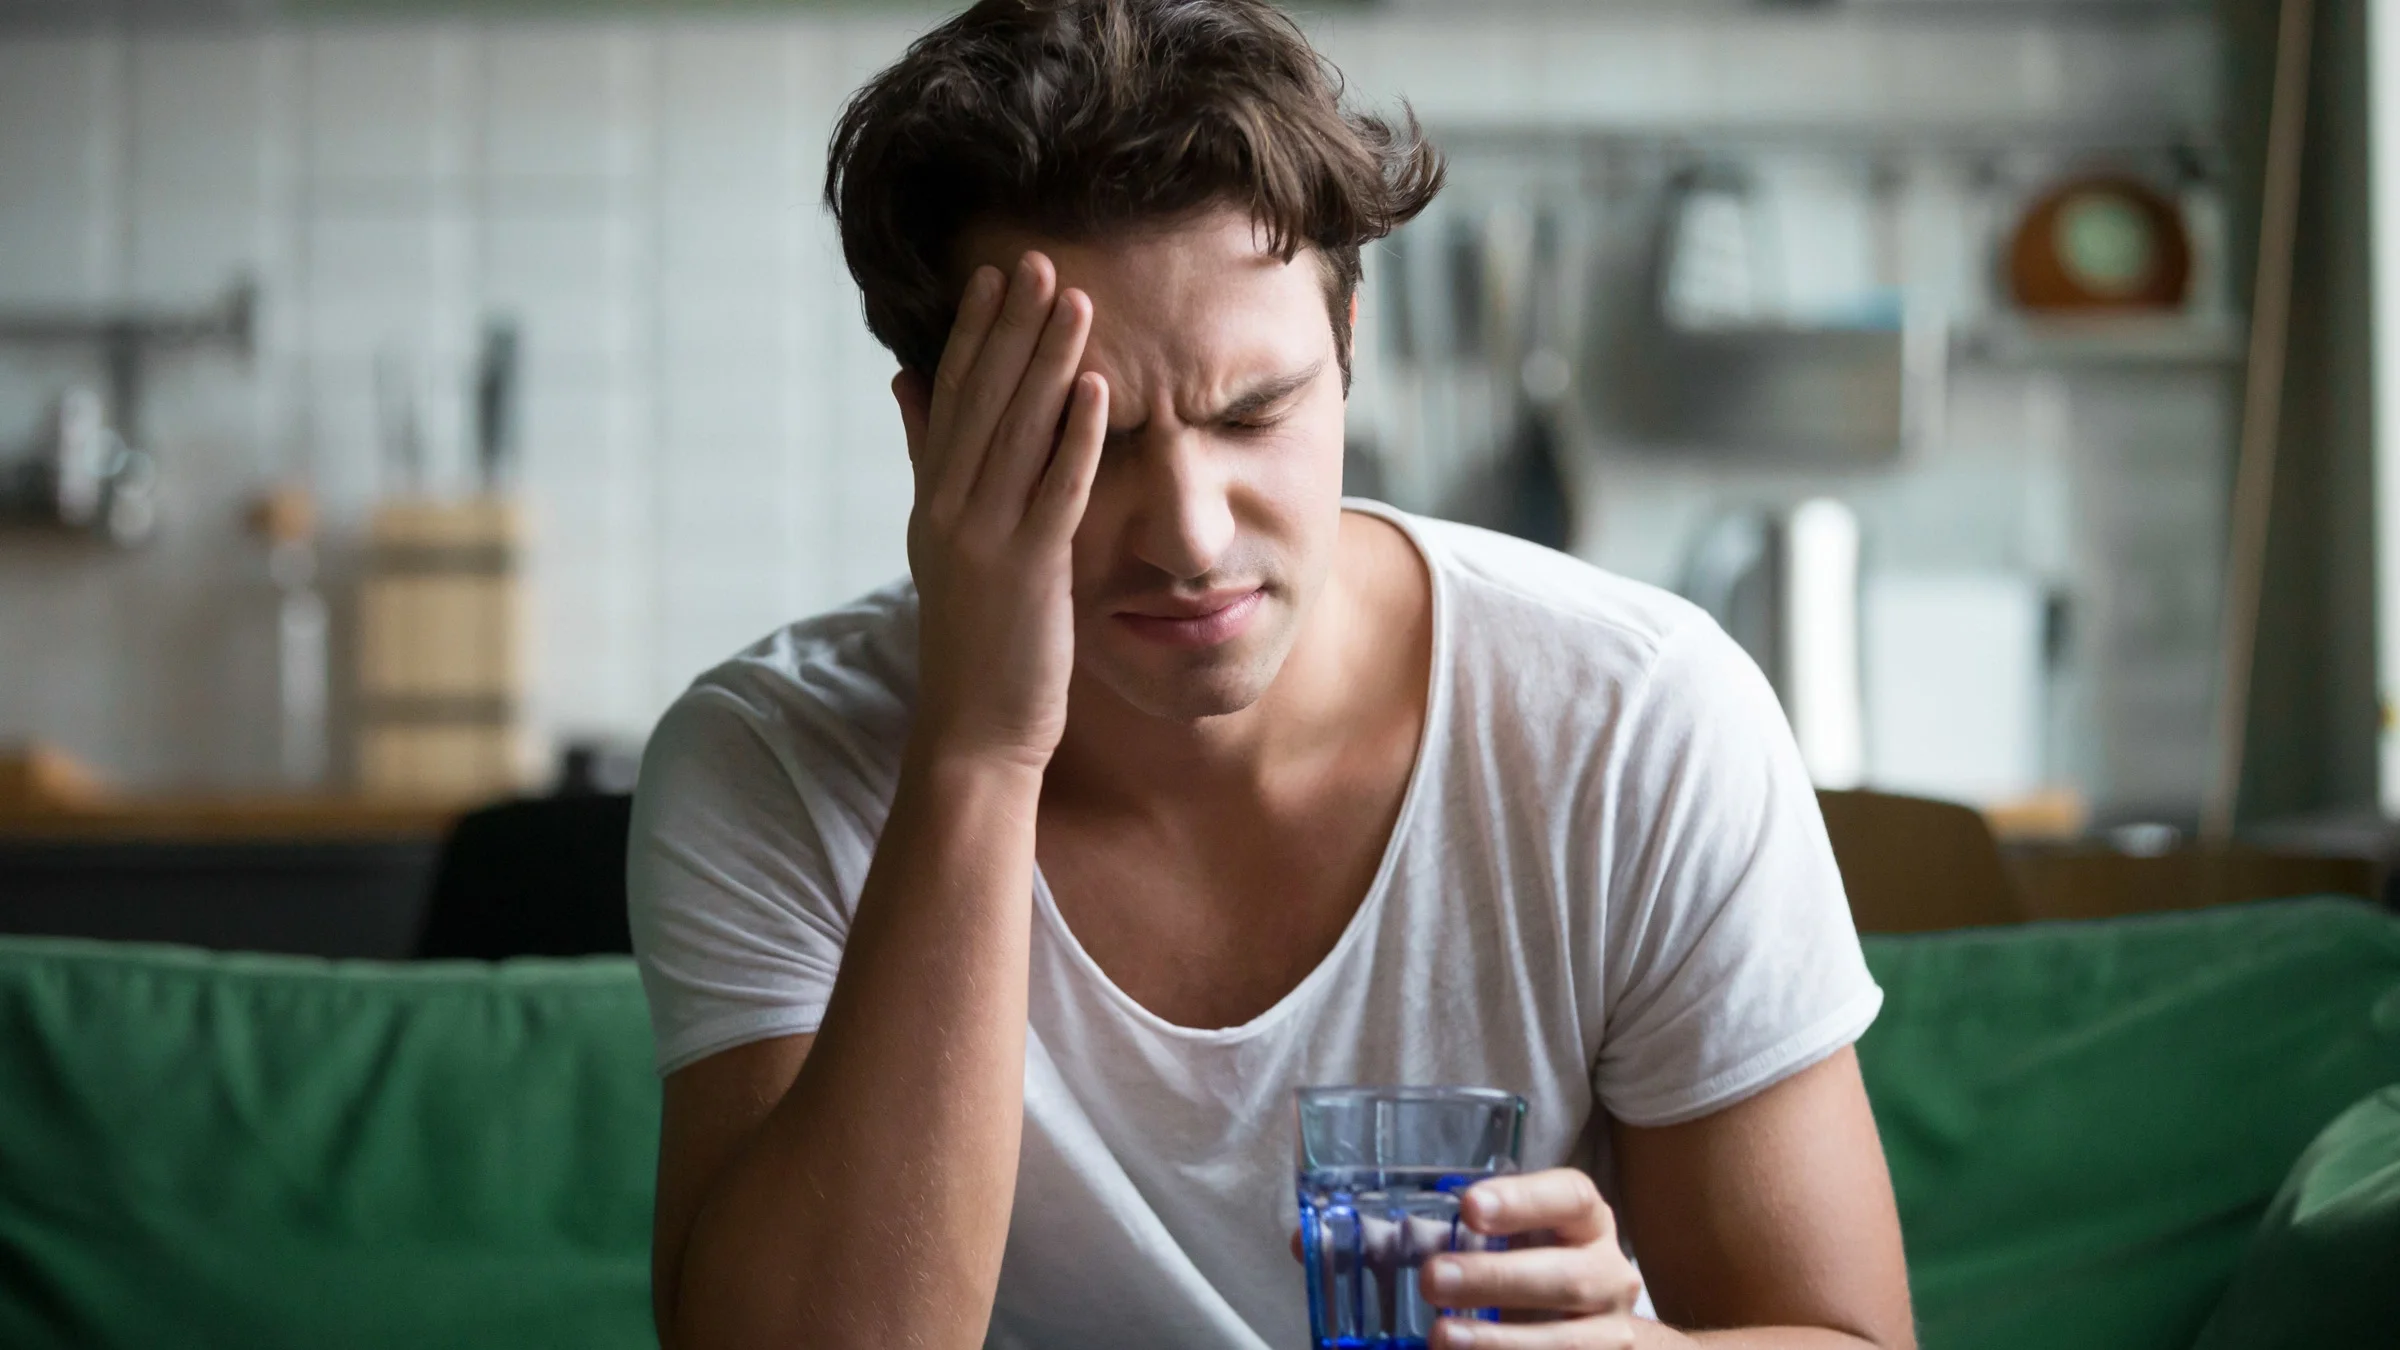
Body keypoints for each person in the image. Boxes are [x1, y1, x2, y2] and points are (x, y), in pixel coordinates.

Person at [627, 2, 1915, 1348]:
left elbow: (1847, 1331)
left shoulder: (1637, 720)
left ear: (1346, 346)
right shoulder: (769, 760)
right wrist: (978, 749)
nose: (1190, 531)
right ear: (932, 433)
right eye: (1091, 437)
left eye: (1255, 413)